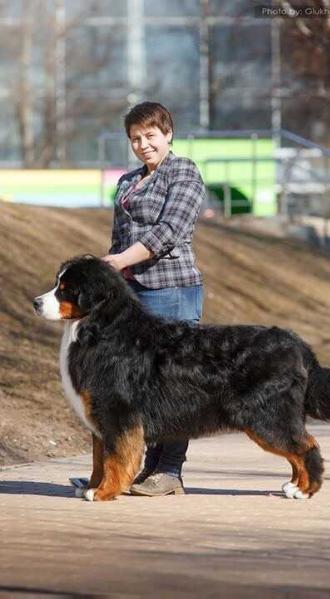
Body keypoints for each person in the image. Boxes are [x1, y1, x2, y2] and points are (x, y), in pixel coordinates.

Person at [102, 101, 205, 496]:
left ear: (168, 134)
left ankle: (171, 471)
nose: (143, 144)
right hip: (132, 296)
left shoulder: (184, 172)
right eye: (135, 138)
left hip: (173, 291)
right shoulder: (127, 182)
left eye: (150, 136)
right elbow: (118, 239)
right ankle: (144, 469)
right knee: (141, 386)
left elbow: (170, 230)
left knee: (175, 384)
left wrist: (120, 261)